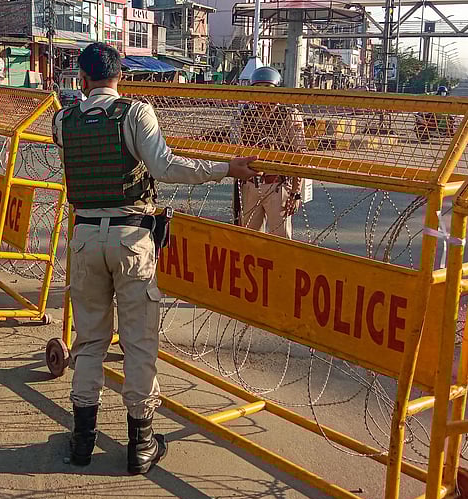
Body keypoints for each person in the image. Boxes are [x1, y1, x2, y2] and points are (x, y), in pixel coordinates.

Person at [53, 42, 260, 475]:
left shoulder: (63, 121)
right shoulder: (134, 113)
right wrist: (225, 168)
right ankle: (141, 446)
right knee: (139, 345)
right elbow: (164, 167)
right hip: (132, 240)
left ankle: (81, 442)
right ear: (120, 77)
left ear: (83, 79)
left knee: (89, 343)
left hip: (85, 238)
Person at [236, 66, 304, 238]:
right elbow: (236, 149)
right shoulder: (245, 117)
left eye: (268, 90)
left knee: (281, 240)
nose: (264, 96)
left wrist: (296, 193)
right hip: (251, 184)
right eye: (259, 90)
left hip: (277, 185)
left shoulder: (288, 116)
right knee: (250, 238)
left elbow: (299, 156)